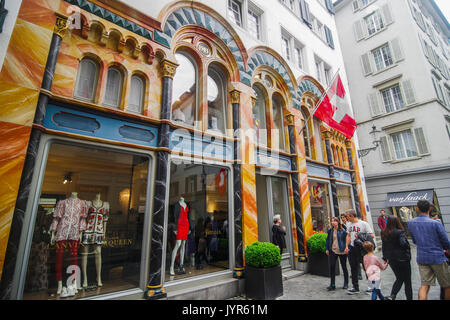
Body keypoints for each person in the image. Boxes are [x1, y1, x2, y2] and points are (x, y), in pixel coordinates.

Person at [407, 199, 450, 300]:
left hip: (422, 257)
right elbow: (446, 242)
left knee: (425, 285)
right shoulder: (436, 223)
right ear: (430, 209)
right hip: (437, 257)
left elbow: (414, 240)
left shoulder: (411, 223)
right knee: (447, 285)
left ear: (417, 208)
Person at [381, 215, 412, 300]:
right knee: (407, 281)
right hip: (403, 259)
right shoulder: (399, 232)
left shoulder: (384, 232)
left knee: (399, 278)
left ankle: (392, 296)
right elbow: (403, 244)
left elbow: (384, 246)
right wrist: (407, 248)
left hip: (392, 260)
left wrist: (385, 258)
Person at [345, 209, 375, 294]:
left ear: (352, 216)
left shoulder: (363, 224)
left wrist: (361, 236)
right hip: (352, 248)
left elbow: (371, 235)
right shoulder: (349, 225)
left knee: (366, 268)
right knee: (353, 268)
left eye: (347, 216)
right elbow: (348, 236)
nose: (347, 218)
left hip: (362, 249)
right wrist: (346, 246)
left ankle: (370, 287)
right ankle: (355, 287)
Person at [325, 217, 349, 290]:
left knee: (344, 267)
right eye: (332, 221)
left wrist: (346, 248)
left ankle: (346, 283)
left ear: (338, 222)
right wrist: (327, 249)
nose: (333, 222)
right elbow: (327, 240)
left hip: (341, 251)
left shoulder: (343, 231)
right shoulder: (330, 230)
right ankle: (332, 284)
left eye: (334, 221)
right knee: (332, 267)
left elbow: (346, 240)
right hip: (333, 250)